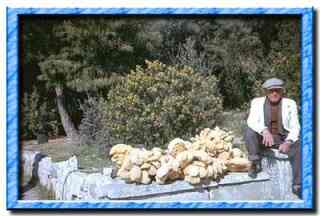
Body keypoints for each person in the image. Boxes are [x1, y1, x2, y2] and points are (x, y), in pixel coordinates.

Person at [244, 78, 301, 198]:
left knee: (299, 145)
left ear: (282, 91)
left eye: (277, 90)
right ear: (266, 92)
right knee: (249, 131)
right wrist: (264, 130)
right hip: (264, 139)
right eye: (271, 91)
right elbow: (251, 121)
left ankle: (298, 183)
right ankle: (254, 162)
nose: (274, 93)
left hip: (282, 138)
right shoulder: (257, 102)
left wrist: (288, 142)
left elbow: (295, 126)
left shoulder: (290, 103)